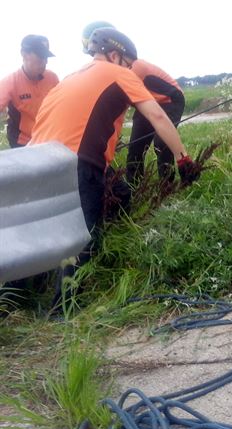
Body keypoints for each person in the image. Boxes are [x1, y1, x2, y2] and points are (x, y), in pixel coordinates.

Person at [29, 27, 198, 312]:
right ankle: (64, 309)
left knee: (113, 197)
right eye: (129, 64)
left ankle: (15, 296)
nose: (132, 70)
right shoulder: (118, 73)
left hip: (39, 161)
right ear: (115, 55)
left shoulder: (70, 78)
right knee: (82, 234)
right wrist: (183, 157)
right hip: (77, 162)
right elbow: (156, 113)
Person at [81, 22, 186, 186]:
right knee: (136, 146)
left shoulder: (129, 69)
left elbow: (118, 108)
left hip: (170, 99)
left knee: (161, 143)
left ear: (113, 54)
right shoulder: (112, 67)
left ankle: (167, 187)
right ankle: (134, 186)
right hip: (147, 102)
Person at [0, 35, 58, 148]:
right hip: (23, 143)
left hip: (48, 139)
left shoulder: (52, 78)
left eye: (46, 57)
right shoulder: (10, 82)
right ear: (23, 54)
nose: (45, 62)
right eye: (40, 56)